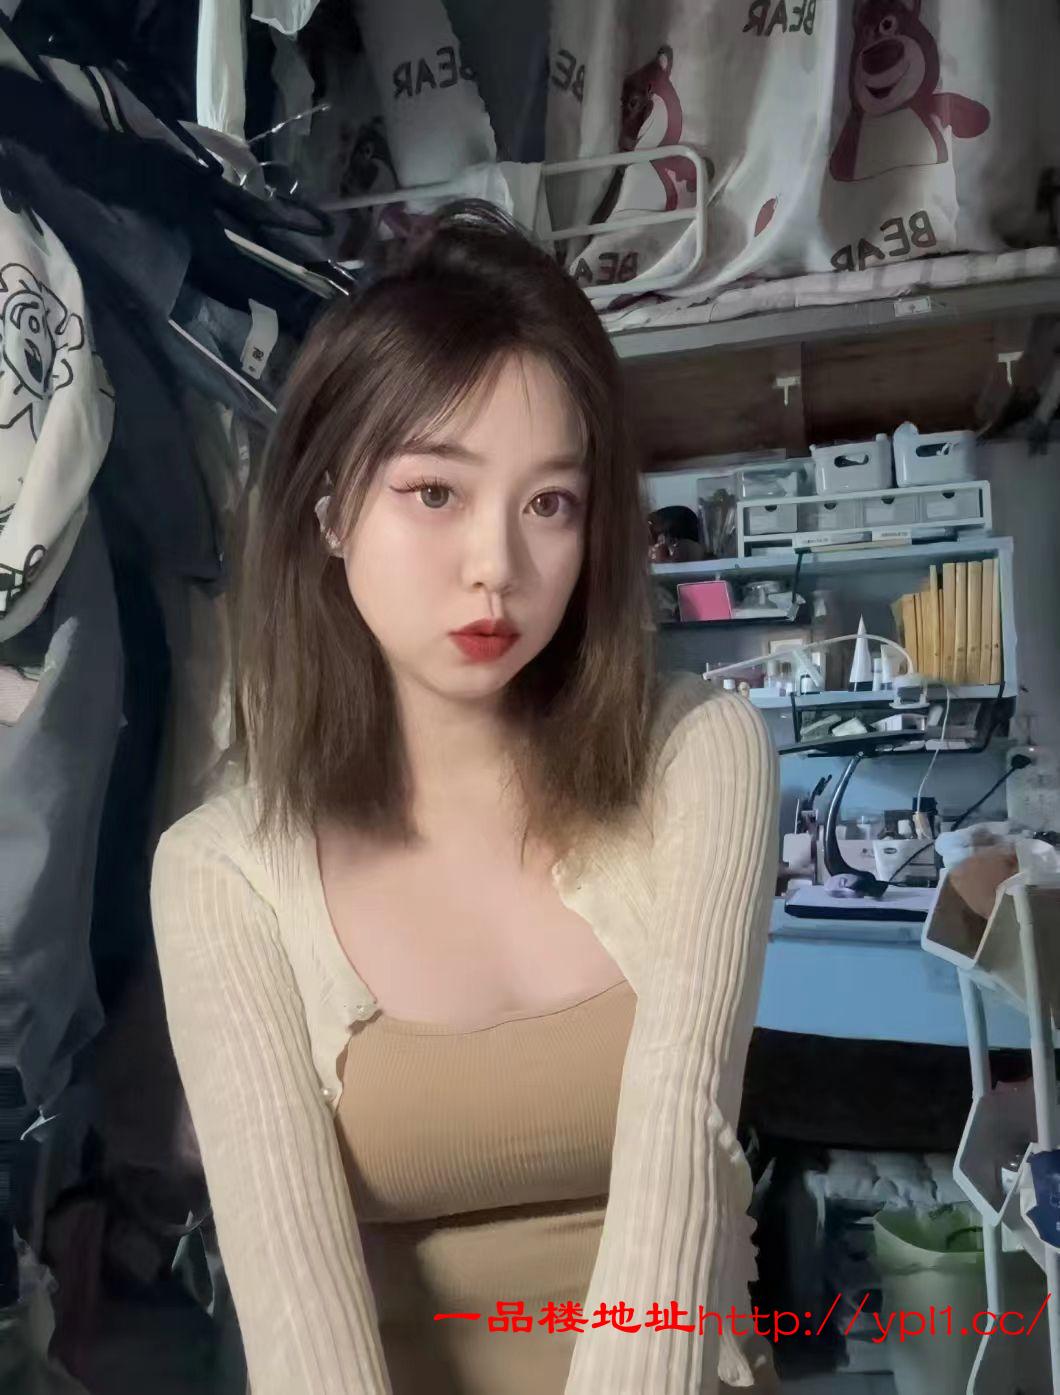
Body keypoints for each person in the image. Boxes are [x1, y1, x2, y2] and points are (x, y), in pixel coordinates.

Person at [149, 201, 779, 1395]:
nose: (498, 566)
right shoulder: (222, 872)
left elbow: (680, 1148)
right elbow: (299, 1333)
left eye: (550, 503)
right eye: (435, 491)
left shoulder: (698, 755)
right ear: (331, 509)